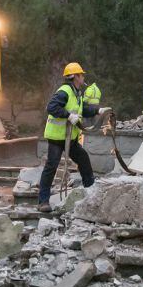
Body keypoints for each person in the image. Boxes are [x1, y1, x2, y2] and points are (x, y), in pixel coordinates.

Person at [38, 62, 111, 212]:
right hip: (57, 137)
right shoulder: (65, 91)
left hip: (70, 137)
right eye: (81, 74)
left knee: (83, 158)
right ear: (75, 76)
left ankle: (90, 191)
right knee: (51, 166)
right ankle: (43, 202)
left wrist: (98, 110)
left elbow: (82, 109)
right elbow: (51, 107)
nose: (83, 77)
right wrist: (68, 115)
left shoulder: (76, 92)